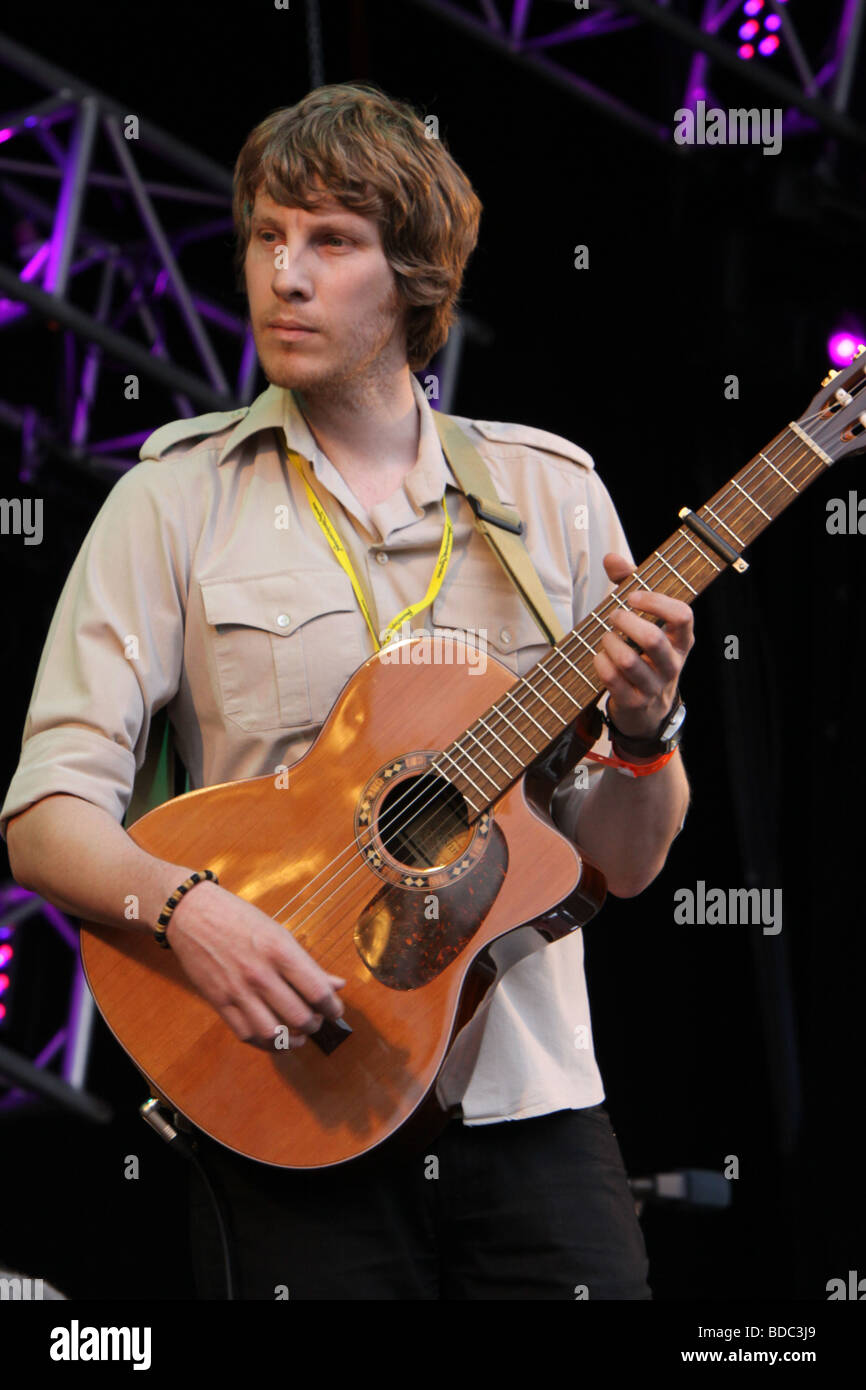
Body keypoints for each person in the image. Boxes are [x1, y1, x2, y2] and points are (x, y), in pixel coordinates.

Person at [1, 82, 693, 1300]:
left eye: (330, 241)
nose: (285, 274)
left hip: (529, 1100)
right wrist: (187, 914)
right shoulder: (170, 499)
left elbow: (617, 867)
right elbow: (45, 817)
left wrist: (646, 731)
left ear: (416, 278)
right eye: (268, 236)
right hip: (286, 1094)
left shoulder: (555, 498)